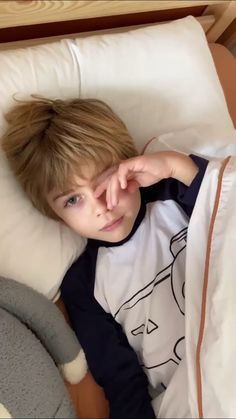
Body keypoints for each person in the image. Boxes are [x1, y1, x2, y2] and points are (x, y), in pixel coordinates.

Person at [2, 97, 208, 419]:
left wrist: (175, 166)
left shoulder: (176, 194)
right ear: (55, 216)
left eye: (106, 179)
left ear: (133, 162)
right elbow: (121, 381)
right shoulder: (82, 285)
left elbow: (227, 209)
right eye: (73, 200)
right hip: (193, 398)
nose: (100, 206)